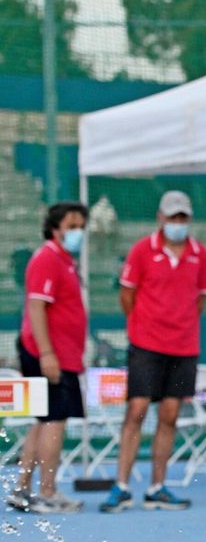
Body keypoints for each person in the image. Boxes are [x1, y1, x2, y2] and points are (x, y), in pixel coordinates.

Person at [101, 191, 206, 513]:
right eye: (172, 217)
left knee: (170, 415)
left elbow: (201, 299)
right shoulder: (141, 250)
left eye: (183, 218)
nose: (178, 223)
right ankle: (121, 486)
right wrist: (144, 326)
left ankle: (157, 487)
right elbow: (127, 296)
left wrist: (180, 323)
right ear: (160, 218)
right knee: (136, 410)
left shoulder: (199, 254)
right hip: (146, 346)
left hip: (184, 348)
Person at [5, 202, 89, 514]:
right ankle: (47, 491)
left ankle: (23, 488)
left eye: (81, 225)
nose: (78, 232)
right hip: (49, 354)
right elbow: (37, 307)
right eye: (72, 225)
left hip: (62, 353)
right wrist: (48, 354)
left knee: (43, 419)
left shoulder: (65, 260)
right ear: (55, 229)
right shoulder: (47, 259)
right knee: (55, 420)